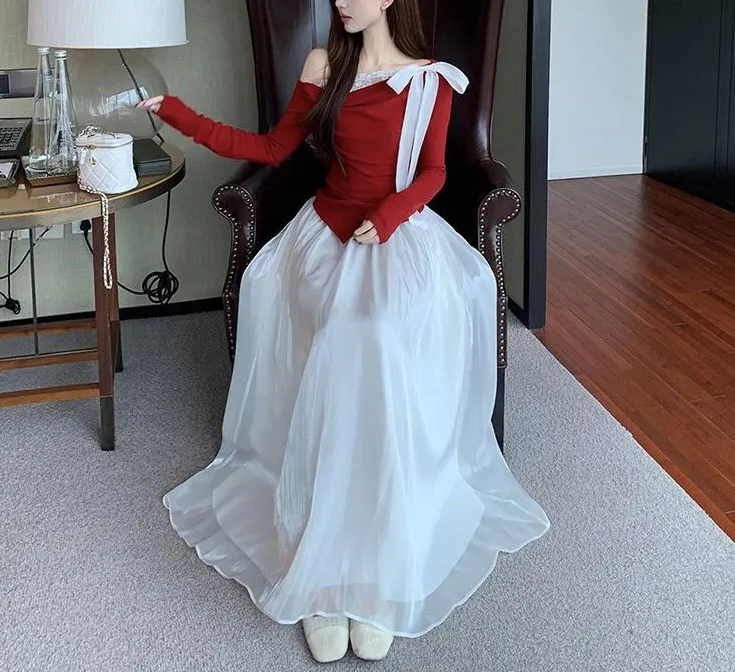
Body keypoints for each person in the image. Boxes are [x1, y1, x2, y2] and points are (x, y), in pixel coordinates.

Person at [140, 0, 550, 664]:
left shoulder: (430, 79)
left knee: (378, 333)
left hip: (396, 233)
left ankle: (378, 560)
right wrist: (178, 114)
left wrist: (387, 218)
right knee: (337, 331)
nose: (342, 2)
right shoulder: (322, 65)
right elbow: (270, 148)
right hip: (322, 235)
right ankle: (324, 572)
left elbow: (435, 173)